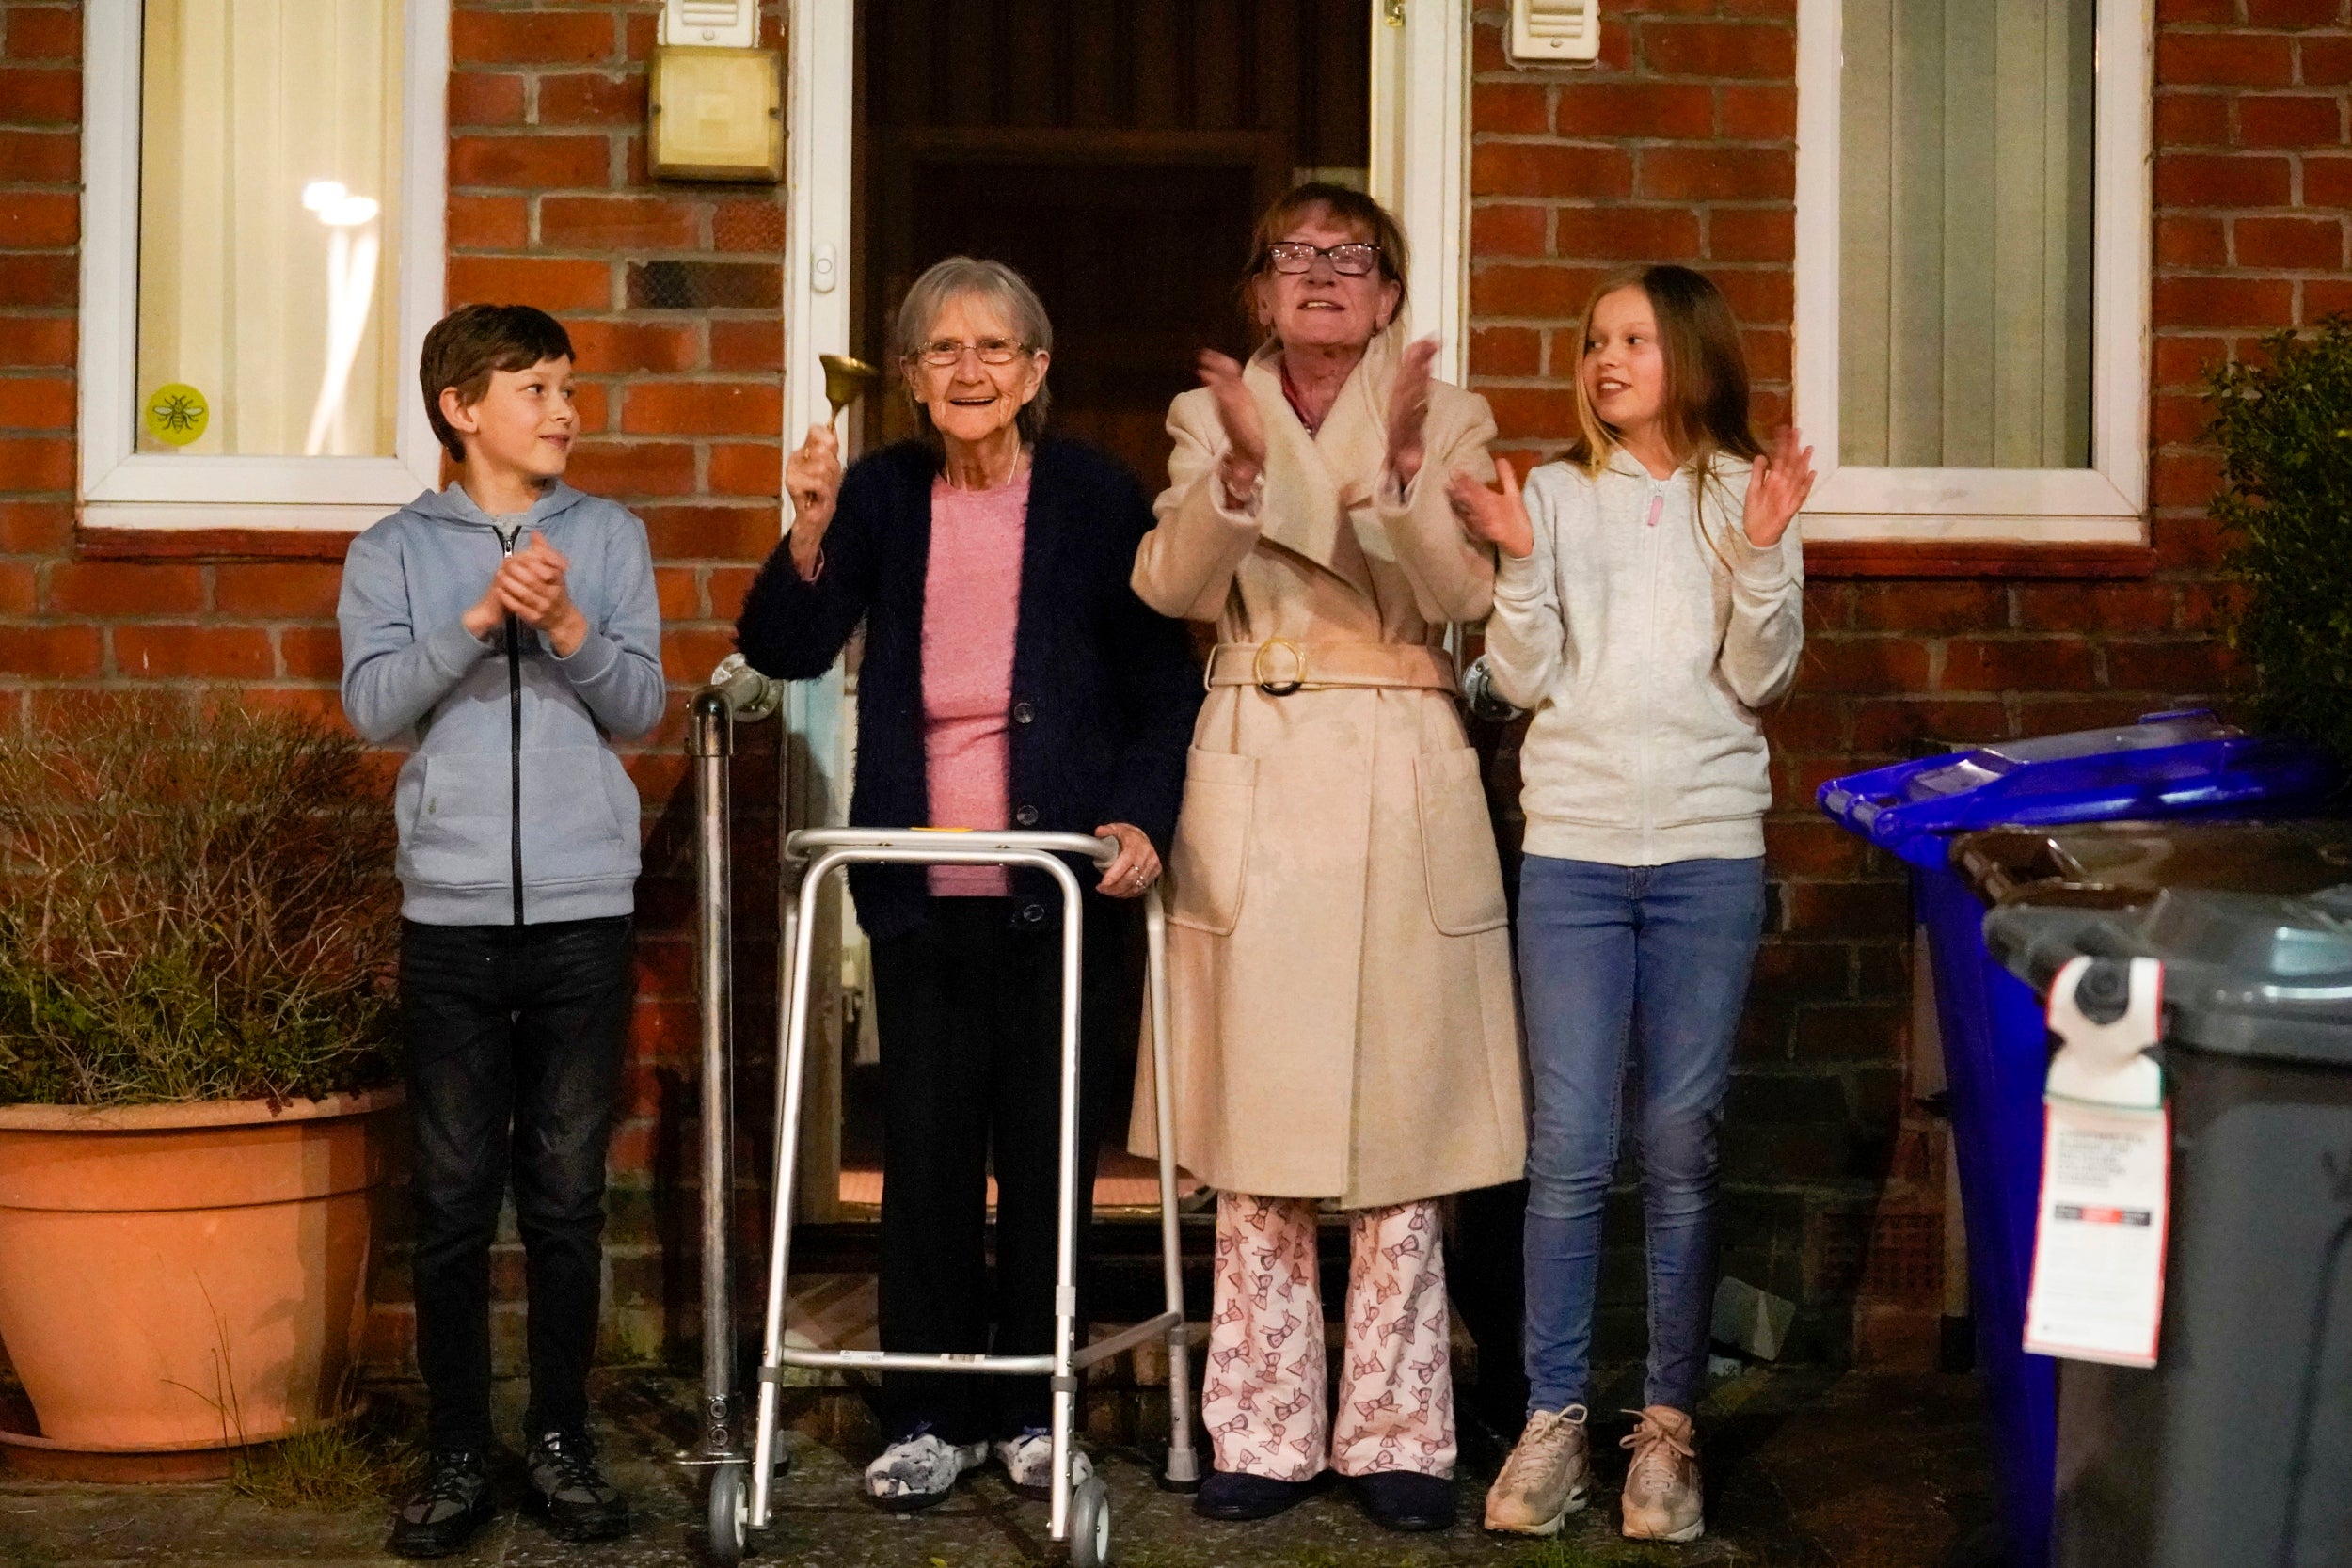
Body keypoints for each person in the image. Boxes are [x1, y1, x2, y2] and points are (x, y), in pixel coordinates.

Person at [735, 257, 1200, 1511]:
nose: (971, 370)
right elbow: (781, 647)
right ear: (910, 379)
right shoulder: (881, 492)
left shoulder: (1097, 496)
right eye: (944, 350)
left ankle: (1036, 1407)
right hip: (922, 884)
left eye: (997, 349)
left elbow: (1167, 682)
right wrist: (811, 526)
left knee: (1049, 1155)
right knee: (929, 1156)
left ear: (1037, 372)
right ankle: (931, 1410)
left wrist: (1142, 813)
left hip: (1058, 883)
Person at [1128, 182, 1524, 1535]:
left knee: (1403, 1124)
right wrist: (1235, 488)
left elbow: (1470, 597)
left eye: (1349, 259)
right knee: (1258, 1125)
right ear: (1258, 291)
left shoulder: (1452, 412)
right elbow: (1168, 589)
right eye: (1295, 257)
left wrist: (1409, 476)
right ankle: (1262, 1424)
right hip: (1263, 749)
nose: (1320, 277)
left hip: (1401, 757)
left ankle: (1404, 1432)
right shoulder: (1207, 412)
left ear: (1390, 295)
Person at [1452, 265, 1812, 1544]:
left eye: (1636, 340)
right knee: (1568, 1149)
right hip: (1578, 857)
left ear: (1694, 356)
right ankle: (1554, 1422)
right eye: (1596, 341)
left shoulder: (1742, 493)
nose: (1608, 359)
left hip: (1708, 854)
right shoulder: (1552, 492)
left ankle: (1666, 1427)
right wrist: (1516, 559)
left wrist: (1764, 552)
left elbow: (1761, 676)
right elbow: (1521, 672)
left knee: (1679, 1142)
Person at [338, 304, 665, 1558]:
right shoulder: (393, 548)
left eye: (569, 387)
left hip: (584, 912)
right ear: (461, 409)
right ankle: (459, 1450)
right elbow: (372, 707)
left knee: (570, 1201)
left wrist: (571, 627)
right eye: (534, 388)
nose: (565, 410)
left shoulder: (610, 536)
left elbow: (639, 707)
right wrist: (480, 615)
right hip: (454, 922)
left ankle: (566, 1444)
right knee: (459, 1202)